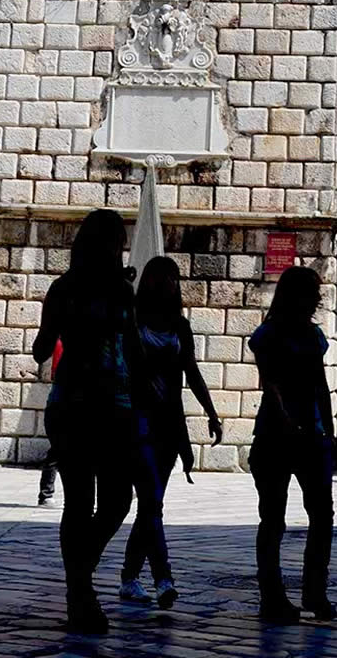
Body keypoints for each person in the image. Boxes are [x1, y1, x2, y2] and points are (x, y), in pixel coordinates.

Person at [31, 209, 149, 634]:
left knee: (113, 501)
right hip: (81, 406)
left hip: (107, 406)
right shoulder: (72, 290)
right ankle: (79, 593)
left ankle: (79, 577)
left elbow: (40, 350)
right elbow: (44, 348)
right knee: (85, 502)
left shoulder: (115, 291)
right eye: (118, 239)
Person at [118, 255, 225, 607]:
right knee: (152, 502)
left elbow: (191, 373)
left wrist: (211, 412)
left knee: (152, 504)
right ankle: (163, 579)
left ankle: (129, 577)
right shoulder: (132, 323)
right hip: (138, 422)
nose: (171, 285)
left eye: (175, 279)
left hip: (169, 425)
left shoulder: (180, 327)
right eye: (166, 278)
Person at [248, 264, 337, 623]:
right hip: (277, 434)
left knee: (316, 516)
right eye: (313, 293)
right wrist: (292, 420)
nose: (318, 300)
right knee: (276, 518)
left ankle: (311, 592)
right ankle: (277, 597)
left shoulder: (310, 336)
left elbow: (320, 387)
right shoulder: (269, 335)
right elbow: (270, 383)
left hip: (305, 435)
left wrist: (328, 433)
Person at [37, 340, 62, 506]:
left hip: (60, 402)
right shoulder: (61, 343)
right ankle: (46, 493)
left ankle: (46, 493)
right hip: (64, 403)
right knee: (57, 450)